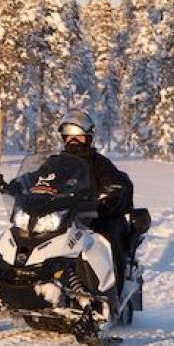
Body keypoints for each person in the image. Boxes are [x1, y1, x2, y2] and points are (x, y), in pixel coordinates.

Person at [57, 109, 134, 290]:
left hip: (96, 216)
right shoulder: (56, 163)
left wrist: (108, 196)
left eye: (79, 137)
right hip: (63, 216)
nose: (73, 142)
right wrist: (17, 187)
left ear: (89, 138)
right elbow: (38, 179)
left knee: (108, 239)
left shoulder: (100, 164)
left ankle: (113, 291)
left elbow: (116, 183)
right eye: (69, 137)